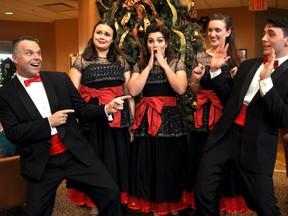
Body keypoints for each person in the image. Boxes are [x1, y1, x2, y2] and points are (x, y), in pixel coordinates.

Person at [0, 35, 131, 216]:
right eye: (29, 53)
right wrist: (48, 123)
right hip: (42, 162)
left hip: (75, 154)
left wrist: (105, 109)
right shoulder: (6, 94)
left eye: (38, 53)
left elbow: (82, 110)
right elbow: (14, 133)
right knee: (35, 212)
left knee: (110, 192)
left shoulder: (60, 79)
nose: (37, 57)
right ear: (15, 58)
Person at [194, 17, 288, 216]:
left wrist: (266, 83)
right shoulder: (249, 66)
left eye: (271, 34)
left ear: (287, 40)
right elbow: (230, 100)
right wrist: (216, 71)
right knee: (203, 190)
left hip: (256, 144)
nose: (263, 38)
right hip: (225, 135)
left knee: (264, 206)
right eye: (263, 33)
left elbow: (283, 118)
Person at [182, 13, 251, 214]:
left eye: (218, 30)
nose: (212, 34)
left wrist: (235, 78)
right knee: (203, 163)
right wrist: (195, 80)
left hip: (226, 118)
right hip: (203, 117)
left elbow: (238, 96)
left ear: (228, 32)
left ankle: (224, 207)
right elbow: (195, 90)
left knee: (224, 165)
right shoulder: (200, 56)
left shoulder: (239, 59)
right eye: (210, 30)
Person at [67, 19, 134, 216]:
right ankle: (95, 202)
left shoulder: (121, 62)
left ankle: (116, 201)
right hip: (92, 121)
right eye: (99, 32)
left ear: (113, 40)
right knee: (95, 162)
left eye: (107, 34)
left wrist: (131, 125)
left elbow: (129, 96)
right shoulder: (81, 60)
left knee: (116, 162)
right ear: (93, 35)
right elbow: (72, 95)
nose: (102, 37)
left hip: (118, 121)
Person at [127, 23, 189, 216]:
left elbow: (180, 89)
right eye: (151, 41)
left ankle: (173, 203)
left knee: (171, 163)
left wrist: (163, 64)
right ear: (146, 44)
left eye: (159, 41)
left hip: (170, 119)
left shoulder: (176, 63)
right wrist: (148, 66)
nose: (155, 45)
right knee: (149, 164)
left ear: (166, 43)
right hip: (147, 118)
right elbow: (134, 90)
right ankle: (155, 204)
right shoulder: (139, 65)